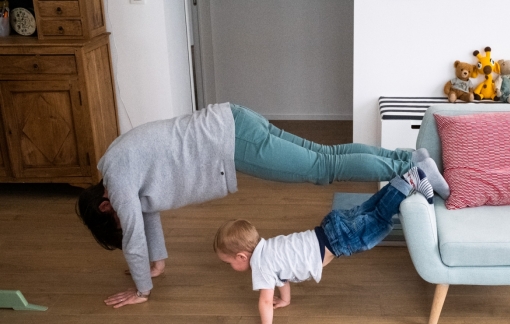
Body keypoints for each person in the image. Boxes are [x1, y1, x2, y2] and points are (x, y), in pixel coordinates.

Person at [76, 103, 449, 309]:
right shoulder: (116, 161)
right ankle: (407, 158)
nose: (124, 224)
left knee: (325, 166)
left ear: (106, 206)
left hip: (230, 141)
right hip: (231, 121)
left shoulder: (117, 178)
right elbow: (147, 212)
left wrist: (142, 289)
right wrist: (157, 264)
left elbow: (135, 234)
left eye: (116, 223)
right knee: (327, 156)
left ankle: (411, 169)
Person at [213, 166, 441, 324]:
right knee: (368, 208)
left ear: (242, 256)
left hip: (338, 240)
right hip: (329, 227)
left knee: (378, 219)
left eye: (228, 262)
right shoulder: (268, 248)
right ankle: (398, 183)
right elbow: (282, 277)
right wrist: (285, 300)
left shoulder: (260, 266)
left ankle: (410, 179)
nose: (230, 267)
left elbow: (264, 301)